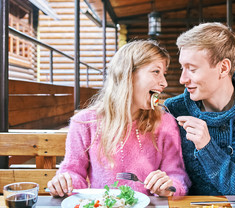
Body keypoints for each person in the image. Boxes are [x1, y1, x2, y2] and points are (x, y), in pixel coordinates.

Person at [47, 40, 191, 197]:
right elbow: (73, 173)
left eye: (164, 74)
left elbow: (177, 176)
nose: (164, 83)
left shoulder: (165, 123)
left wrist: (169, 186)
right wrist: (63, 183)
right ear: (128, 74)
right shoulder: (84, 122)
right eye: (156, 72)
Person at [164, 22, 235, 195]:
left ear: (223, 68)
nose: (182, 79)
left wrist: (207, 147)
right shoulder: (173, 110)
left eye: (192, 69)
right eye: (182, 68)